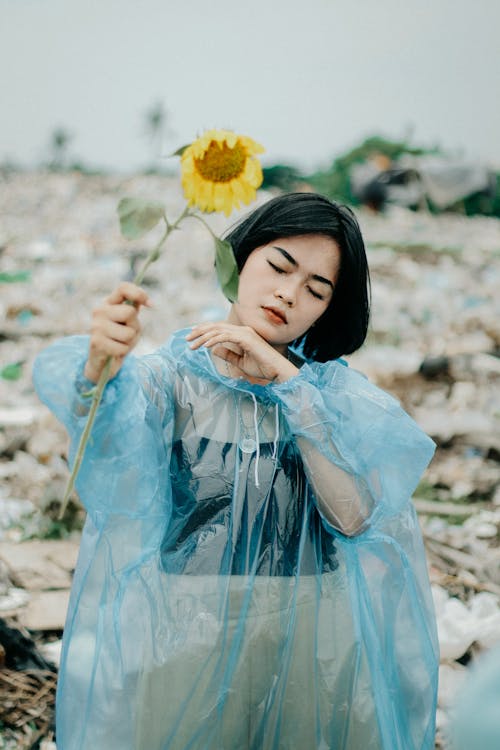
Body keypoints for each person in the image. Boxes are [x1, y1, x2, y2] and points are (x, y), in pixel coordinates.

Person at [33, 192, 439, 750]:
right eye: (278, 266)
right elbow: (110, 458)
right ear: (241, 257)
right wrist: (99, 366)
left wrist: (290, 389)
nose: (288, 294)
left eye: (316, 290)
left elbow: (353, 518)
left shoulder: (330, 396)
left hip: (304, 641)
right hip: (184, 638)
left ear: (328, 309)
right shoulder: (169, 381)